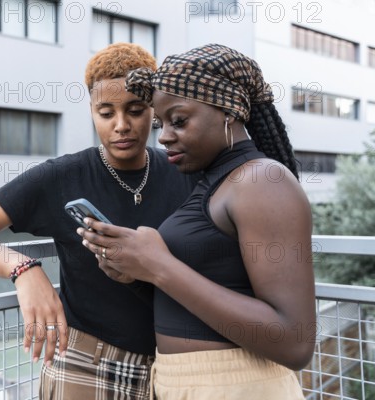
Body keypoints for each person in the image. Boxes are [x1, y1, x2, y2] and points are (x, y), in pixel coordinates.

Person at [0, 42, 198, 399]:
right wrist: (22, 269)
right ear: (91, 110)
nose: (121, 125)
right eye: (106, 113)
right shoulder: (63, 176)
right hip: (86, 363)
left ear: (154, 109)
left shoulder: (182, 169)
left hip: (173, 366)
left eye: (135, 110)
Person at [77, 43, 316, 399]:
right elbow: (210, 295)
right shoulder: (217, 181)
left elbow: (294, 343)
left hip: (237, 386)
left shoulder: (263, 181)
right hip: (188, 383)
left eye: (179, 120)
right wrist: (138, 274)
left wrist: (159, 266)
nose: (164, 136)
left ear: (228, 112)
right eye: (160, 123)